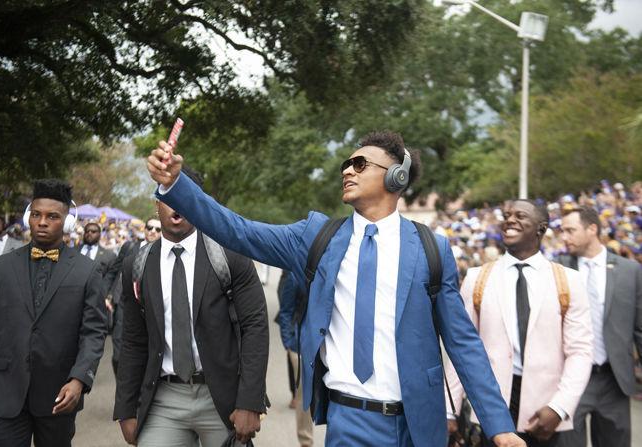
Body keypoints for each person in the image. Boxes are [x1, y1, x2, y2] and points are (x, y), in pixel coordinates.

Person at [147, 131, 523, 446]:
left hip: (418, 426)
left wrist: (500, 426)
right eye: (346, 163)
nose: (347, 169)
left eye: (360, 164)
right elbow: (238, 230)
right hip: (347, 421)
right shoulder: (317, 238)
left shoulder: (431, 249)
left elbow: (463, 342)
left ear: (396, 177)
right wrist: (176, 186)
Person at [113, 168, 269, 447]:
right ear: (157, 203)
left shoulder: (230, 256)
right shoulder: (137, 265)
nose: (178, 205)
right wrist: (126, 409)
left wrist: (250, 401)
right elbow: (133, 340)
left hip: (222, 399)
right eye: (169, 196)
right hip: (163, 400)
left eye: (186, 196)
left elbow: (255, 327)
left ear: (199, 203)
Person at [444, 200, 593, 447]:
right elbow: (461, 349)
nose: (510, 220)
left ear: (541, 228)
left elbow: (580, 351)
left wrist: (559, 407)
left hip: (546, 414)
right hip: (491, 411)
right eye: (507, 215)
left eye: (520, 215)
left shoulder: (568, 281)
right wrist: (450, 409)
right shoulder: (477, 278)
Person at [0, 179, 107, 447]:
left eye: (52, 216)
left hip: (59, 395)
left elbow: (93, 332)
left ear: (67, 223)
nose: (42, 222)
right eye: (36, 215)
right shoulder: (0, 268)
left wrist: (79, 379)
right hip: (2, 393)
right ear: (28, 218)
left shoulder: (86, 271)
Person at [556, 206, 642, 447]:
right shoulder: (558, 269)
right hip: (570, 381)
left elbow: (640, 330)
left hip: (614, 381)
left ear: (592, 229)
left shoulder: (630, 271)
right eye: (562, 231)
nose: (564, 237)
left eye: (570, 230)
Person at [106, 217, 162, 375]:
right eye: (150, 227)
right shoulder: (129, 247)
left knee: (142, 354)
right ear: (144, 229)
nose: (152, 232)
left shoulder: (164, 254)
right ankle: (123, 384)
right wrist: (107, 295)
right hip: (123, 305)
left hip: (148, 309)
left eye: (157, 229)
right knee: (118, 355)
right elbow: (114, 272)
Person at [277, 270, 314, 447]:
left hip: (323, 344)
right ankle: (306, 442)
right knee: (303, 393)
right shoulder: (294, 276)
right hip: (298, 345)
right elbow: (285, 311)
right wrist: (289, 342)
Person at [79, 222, 117, 294]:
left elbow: (109, 278)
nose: (89, 233)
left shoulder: (109, 256)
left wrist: (103, 295)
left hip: (95, 296)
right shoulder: (74, 251)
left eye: (93, 232)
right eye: (87, 231)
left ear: (99, 234)